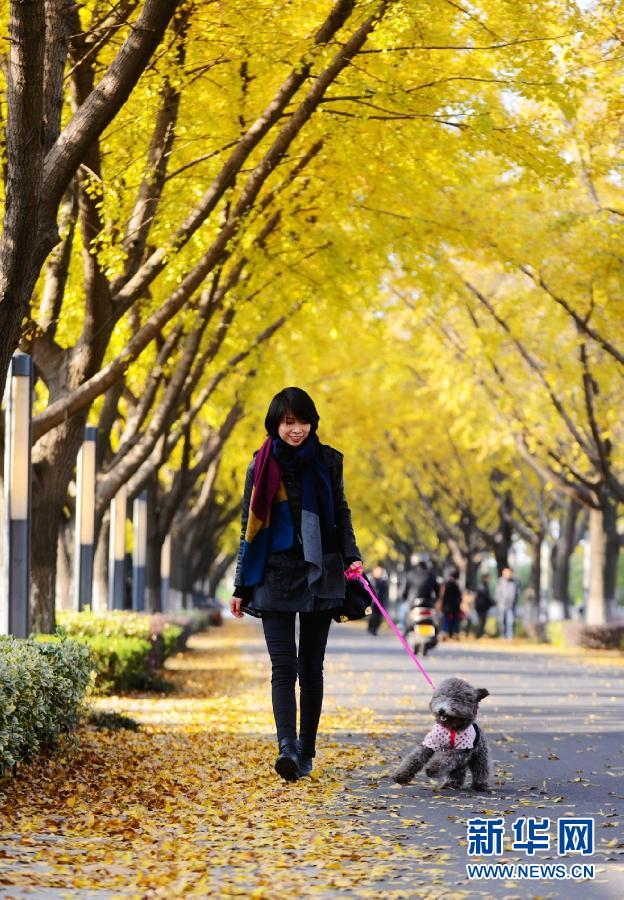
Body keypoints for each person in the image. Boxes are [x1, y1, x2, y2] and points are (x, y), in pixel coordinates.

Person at [230, 387, 362, 782]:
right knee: (283, 667)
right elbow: (248, 526)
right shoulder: (260, 465)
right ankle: (286, 748)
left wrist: (352, 554)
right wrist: (241, 584)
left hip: (320, 569)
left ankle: (306, 750)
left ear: (312, 423)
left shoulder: (328, 461)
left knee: (311, 668)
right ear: (276, 424)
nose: (297, 429)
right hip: (274, 572)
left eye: (303, 422)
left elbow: (340, 511)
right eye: (289, 422)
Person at [398, 560, 439, 631]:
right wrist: (435, 599)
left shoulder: (410, 574)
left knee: (402, 610)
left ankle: (403, 629)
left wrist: (404, 597)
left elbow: (404, 591)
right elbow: (437, 589)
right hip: (428, 603)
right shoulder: (431, 575)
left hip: (413, 603)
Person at [438, 567, 462, 640]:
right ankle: (456, 634)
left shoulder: (446, 585)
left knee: (446, 620)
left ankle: (444, 633)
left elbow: (442, 596)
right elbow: (459, 597)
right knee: (455, 621)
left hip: (447, 606)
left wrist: (442, 605)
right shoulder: (456, 585)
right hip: (455, 607)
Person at [495, 566, 519, 640]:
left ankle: (510, 636)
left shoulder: (514, 582)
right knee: (502, 621)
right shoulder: (500, 581)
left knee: (510, 621)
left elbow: (517, 593)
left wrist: (514, 602)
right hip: (502, 605)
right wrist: (499, 601)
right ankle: (502, 635)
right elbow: (497, 593)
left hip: (511, 605)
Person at [368, 563, 389, 635]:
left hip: (380, 599)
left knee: (379, 615)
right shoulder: (371, 579)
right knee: (373, 614)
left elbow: (385, 591)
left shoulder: (383, 580)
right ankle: (371, 628)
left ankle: (375, 628)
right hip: (373, 600)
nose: (379, 573)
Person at [473, 573, 494, 638]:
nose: (489, 580)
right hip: (481, 607)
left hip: (483, 607)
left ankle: (479, 634)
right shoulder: (482, 586)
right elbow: (485, 597)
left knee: (483, 621)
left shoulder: (484, 586)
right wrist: (492, 603)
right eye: (488, 578)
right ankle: (478, 634)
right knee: (482, 621)